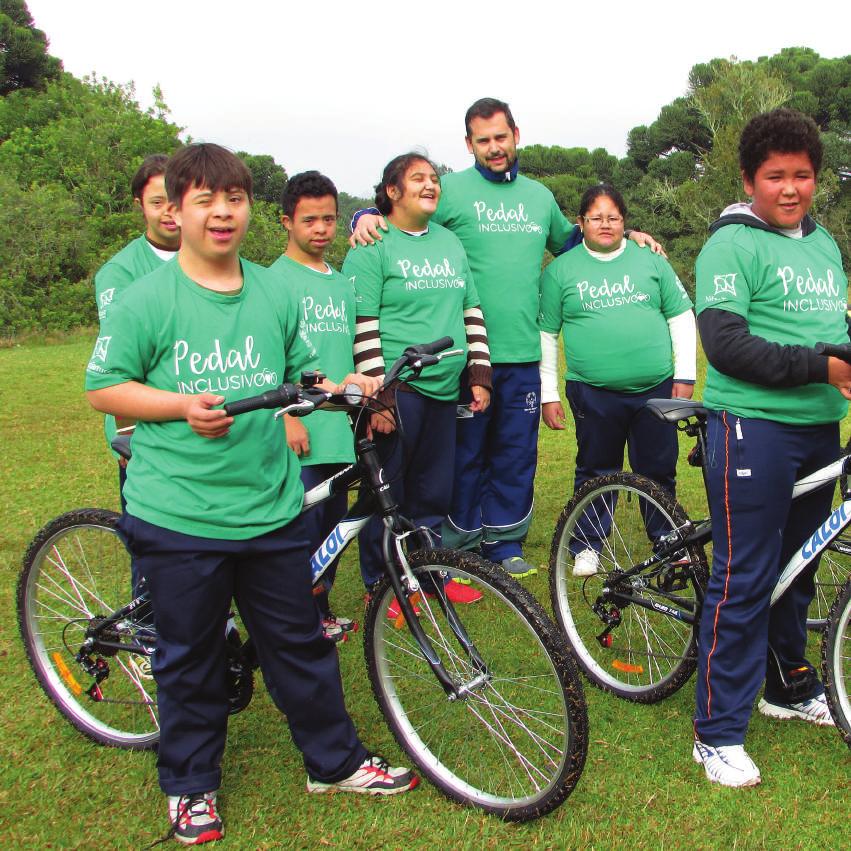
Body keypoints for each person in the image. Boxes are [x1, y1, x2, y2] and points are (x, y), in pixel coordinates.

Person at [85, 143, 416, 846]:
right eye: (204, 200)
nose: (222, 212)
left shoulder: (271, 289)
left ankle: (334, 763)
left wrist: (347, 389)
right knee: (189, 653)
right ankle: (190, 784)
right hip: (178, 513)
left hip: (268, 506)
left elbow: (298, 371)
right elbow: (103, 386)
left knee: (298, 641)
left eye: (232, 198)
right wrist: (178, 406)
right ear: (176, 211)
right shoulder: (148, 297)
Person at [352, 98, 662, 578]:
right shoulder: (449, 189)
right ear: (469, 144)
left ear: (516, 134)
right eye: (483, 141)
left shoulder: (538, 196)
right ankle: (457, 543)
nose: (494, 148)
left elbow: (573, 239)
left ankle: (504, 543)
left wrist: (627, 235)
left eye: (501, 137)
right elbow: (403, 217)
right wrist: (361, 217)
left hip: (522, 351)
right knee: (464, 456)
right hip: (464, 357)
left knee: (515, 455)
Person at [692, 108, 851, 788]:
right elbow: (725, 345)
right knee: (744, 576)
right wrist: (823, 366)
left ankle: (786, 685)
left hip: (818, 429)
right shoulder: (730, 245)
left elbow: (831, 326)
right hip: (750, 425)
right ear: (747, 178)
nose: (789, 189)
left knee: (799, 567)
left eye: (802, 175)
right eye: (774, 176)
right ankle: (716, 731)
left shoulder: (823, 245)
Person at [342, 152, 492, 607]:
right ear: (392, 192)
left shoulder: (449, 241)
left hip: (445, 390)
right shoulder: (373, 243)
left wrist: (480, 373)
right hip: (398, 390)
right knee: (387, 491)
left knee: (433, 490)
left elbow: (471, 310)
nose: (431, 185)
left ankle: (428, 577)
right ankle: (382, 587)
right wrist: (379, 397)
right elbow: (362, 323)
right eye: (418, 179)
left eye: (434, 179)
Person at [539, 184, 696, 576]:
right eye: (596, 218)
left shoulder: (651, 260)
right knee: (596, 468)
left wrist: (686, 374)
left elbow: (680, 316)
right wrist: (548, 393)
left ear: (624, 222)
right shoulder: (560, 271)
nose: (604, 225)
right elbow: (545, 336)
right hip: (592, 393)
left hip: (657, 390)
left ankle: (666, 537)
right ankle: (588, 544)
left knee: (658, 467)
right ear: (581, 223)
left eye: (613, 217)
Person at [267, 171, 358, 642]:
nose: (320, 228)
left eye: (328, 218)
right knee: (300, 530)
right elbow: (268, 361)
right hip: (300, 431)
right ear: (287, 222)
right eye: (309, 220)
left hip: (340, 428)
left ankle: (319, 611)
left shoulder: (342, 284)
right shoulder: (271, 282)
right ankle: (296, 619)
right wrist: (287, 422)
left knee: (334, 529)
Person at [94, 154, 180, 501]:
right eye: (157, 202)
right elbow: (118, 364)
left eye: (175, 201)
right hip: (144, 424)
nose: (168, 212)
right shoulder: (120, 272)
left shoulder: (212, 258)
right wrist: (128, 435)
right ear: (140, 205)